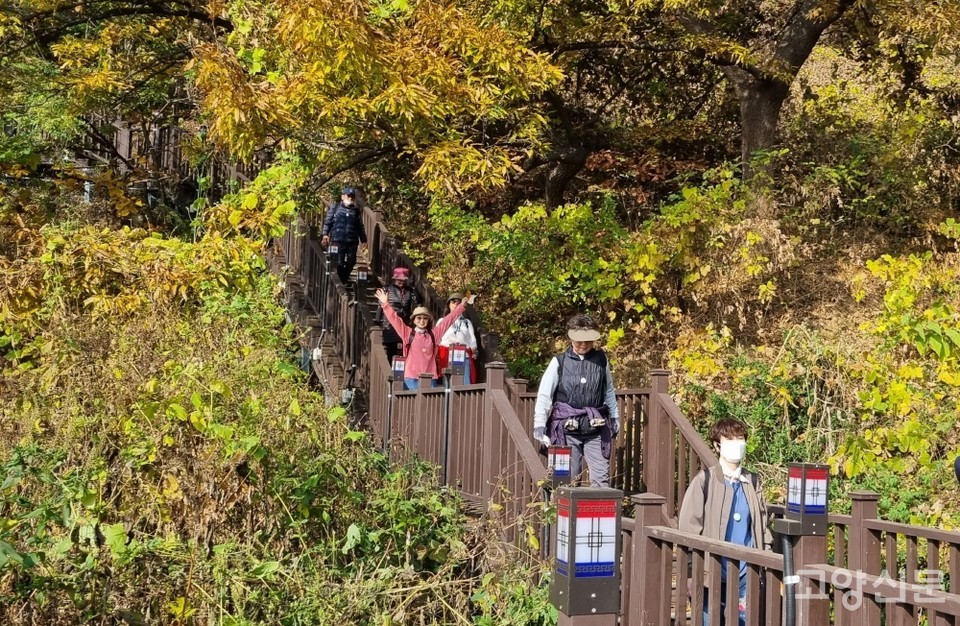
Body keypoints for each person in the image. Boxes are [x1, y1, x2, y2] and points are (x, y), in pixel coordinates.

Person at [678, 418, 773, 626]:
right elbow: (688, 530)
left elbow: (762, 526)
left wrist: (765, 560)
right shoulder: (705, 480)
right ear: (717, 445)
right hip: (711, 569)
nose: (736, 444)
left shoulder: (752, 482)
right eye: (729, 439)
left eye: (740, 439)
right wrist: (691, 572)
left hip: (747, 571)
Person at [531, 314, 619, 488]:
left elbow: (608, 390)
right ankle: (560, 515)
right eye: (579, 341)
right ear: (570, 338)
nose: (583, 345)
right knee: (564, 481)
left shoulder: (602, 360)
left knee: (601, 480)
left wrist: (615, 416)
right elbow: (544, 395)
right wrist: (539, 424)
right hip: (565, 430)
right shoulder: (559, 362)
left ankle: (597, 514)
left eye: (588, 341)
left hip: (595, 428)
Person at [374, 289, 476, 390]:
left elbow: (448, 320)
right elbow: (395, 319)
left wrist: (461, 307)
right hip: (411, 378)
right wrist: (385, 304)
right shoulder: (408, 333)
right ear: (414, 320)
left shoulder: (434, 334)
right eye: (419, 318)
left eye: (425, 318)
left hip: (430, 378)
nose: (422, 321)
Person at [321, 186, 367, 285]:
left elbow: (360, 226)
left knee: (352, 262)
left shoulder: (356, 211)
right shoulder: (336, 207)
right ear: (343, 197)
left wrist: (364, 240)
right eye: (348, 196)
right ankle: (342, 281)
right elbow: (328, 222)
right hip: (338, 240)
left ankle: (343, 279)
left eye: (352, 197)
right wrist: (325, 234)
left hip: (352, 241)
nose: (350, 198)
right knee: (339, 262)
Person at [378, 267, 419, 364]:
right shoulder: (387, 289)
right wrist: (377, 320)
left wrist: (413, 287)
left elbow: (418, 300)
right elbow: (380, 306)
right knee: (391, 349)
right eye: (399, 280)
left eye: (404, 280)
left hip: (404, 323)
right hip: (389, 323)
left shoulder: (410, 291)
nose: (402, 282)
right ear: (395, 279)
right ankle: (391, 371)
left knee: (405, 349)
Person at [436, 292, 478, 384]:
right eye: (453, 302)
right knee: (448, 384)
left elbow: (472, 339)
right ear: (449, 305)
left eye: (459, 302)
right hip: (447, 354)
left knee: (465, 383)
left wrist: (474, 350)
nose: (456, 304)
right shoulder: (442, 321)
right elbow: (437, 339)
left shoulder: (467, 322)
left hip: (464, 355)